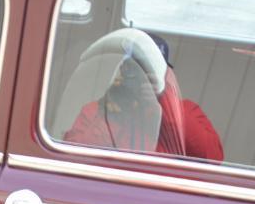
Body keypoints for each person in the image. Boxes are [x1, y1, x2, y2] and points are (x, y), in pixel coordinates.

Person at [64, 30, 223, 162]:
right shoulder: (98, 109)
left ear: (165, 76)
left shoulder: (184, 111)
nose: (140, 77)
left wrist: (163, 103)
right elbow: (72, 156)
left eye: (148, 72)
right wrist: (110, 112)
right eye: (133, 68)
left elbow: (212, 157)